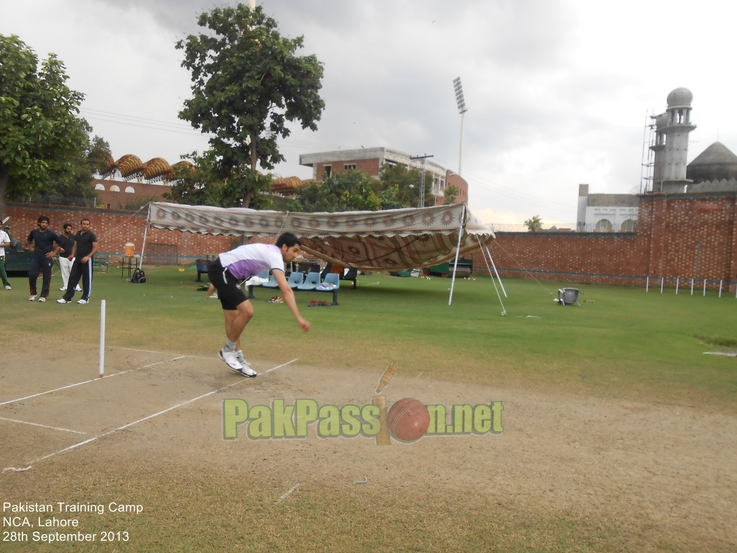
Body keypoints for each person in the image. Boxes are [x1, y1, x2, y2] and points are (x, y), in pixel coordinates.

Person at [207, 233, 310, 377]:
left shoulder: (269, 252)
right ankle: (227, 350)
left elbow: (237, 255)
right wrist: (298, 318)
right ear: (284, 247)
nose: (295, 255)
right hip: (223, 272)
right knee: (247, 311)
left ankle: (239, 359)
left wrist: (216, 281)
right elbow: (285, 290)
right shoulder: (274, 255)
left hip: (224, 273)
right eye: (295, 250)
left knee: (233, 318)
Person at [56, 218, 99, 305]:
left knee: (86, 279)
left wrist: (87, 257)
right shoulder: (78, 234)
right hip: (78, 259)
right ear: (81, 224)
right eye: (84, 224)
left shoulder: (91, 235)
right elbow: (75, 245)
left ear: (89, 225)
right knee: (73, 278)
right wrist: (72, 255)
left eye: (87, 224)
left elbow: (96, 248)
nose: (85, 226)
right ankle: (67, 297)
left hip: (87, 260)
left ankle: (85, 298)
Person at [26, 215, 61, 302]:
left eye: (46, 223)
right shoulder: (34, 232)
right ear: (39, 223)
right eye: (43, 222)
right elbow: (29, 239)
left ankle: (43, 295)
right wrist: (30, 247)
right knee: (32, 275)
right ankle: (33, 293)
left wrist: (53, 253)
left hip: (46, 257)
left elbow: (60, 242)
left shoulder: (51, 234)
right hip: (36, 257)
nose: (44, 224)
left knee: (46, 277)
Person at [56, 222, 81, 292]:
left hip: (72, 257)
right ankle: (65, 286)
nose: (69, 230)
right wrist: (60, 249)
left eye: (70, 229)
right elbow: (56, 245)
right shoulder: (60, 238)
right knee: (64, 272)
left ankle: (76, 286)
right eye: (68, 229)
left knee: (73, 272)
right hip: (63, 257)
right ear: (64, 229)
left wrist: (73, 255)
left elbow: (76, 246)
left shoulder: (73, 237)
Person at [0, 224, 12, 290]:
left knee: (1, 269)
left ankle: (6, 284)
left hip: (0, 254)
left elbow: (8, 243)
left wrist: (1, 245)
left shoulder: (3, 234)